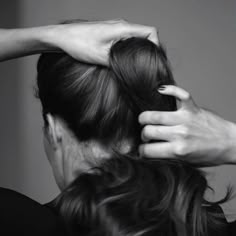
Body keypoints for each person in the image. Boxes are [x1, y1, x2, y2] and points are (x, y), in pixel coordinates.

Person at [0, 19, 158, 235]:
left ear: (54, 129)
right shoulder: (197, 221)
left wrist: (48, 36)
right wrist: (223, 142)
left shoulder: (14, 222)